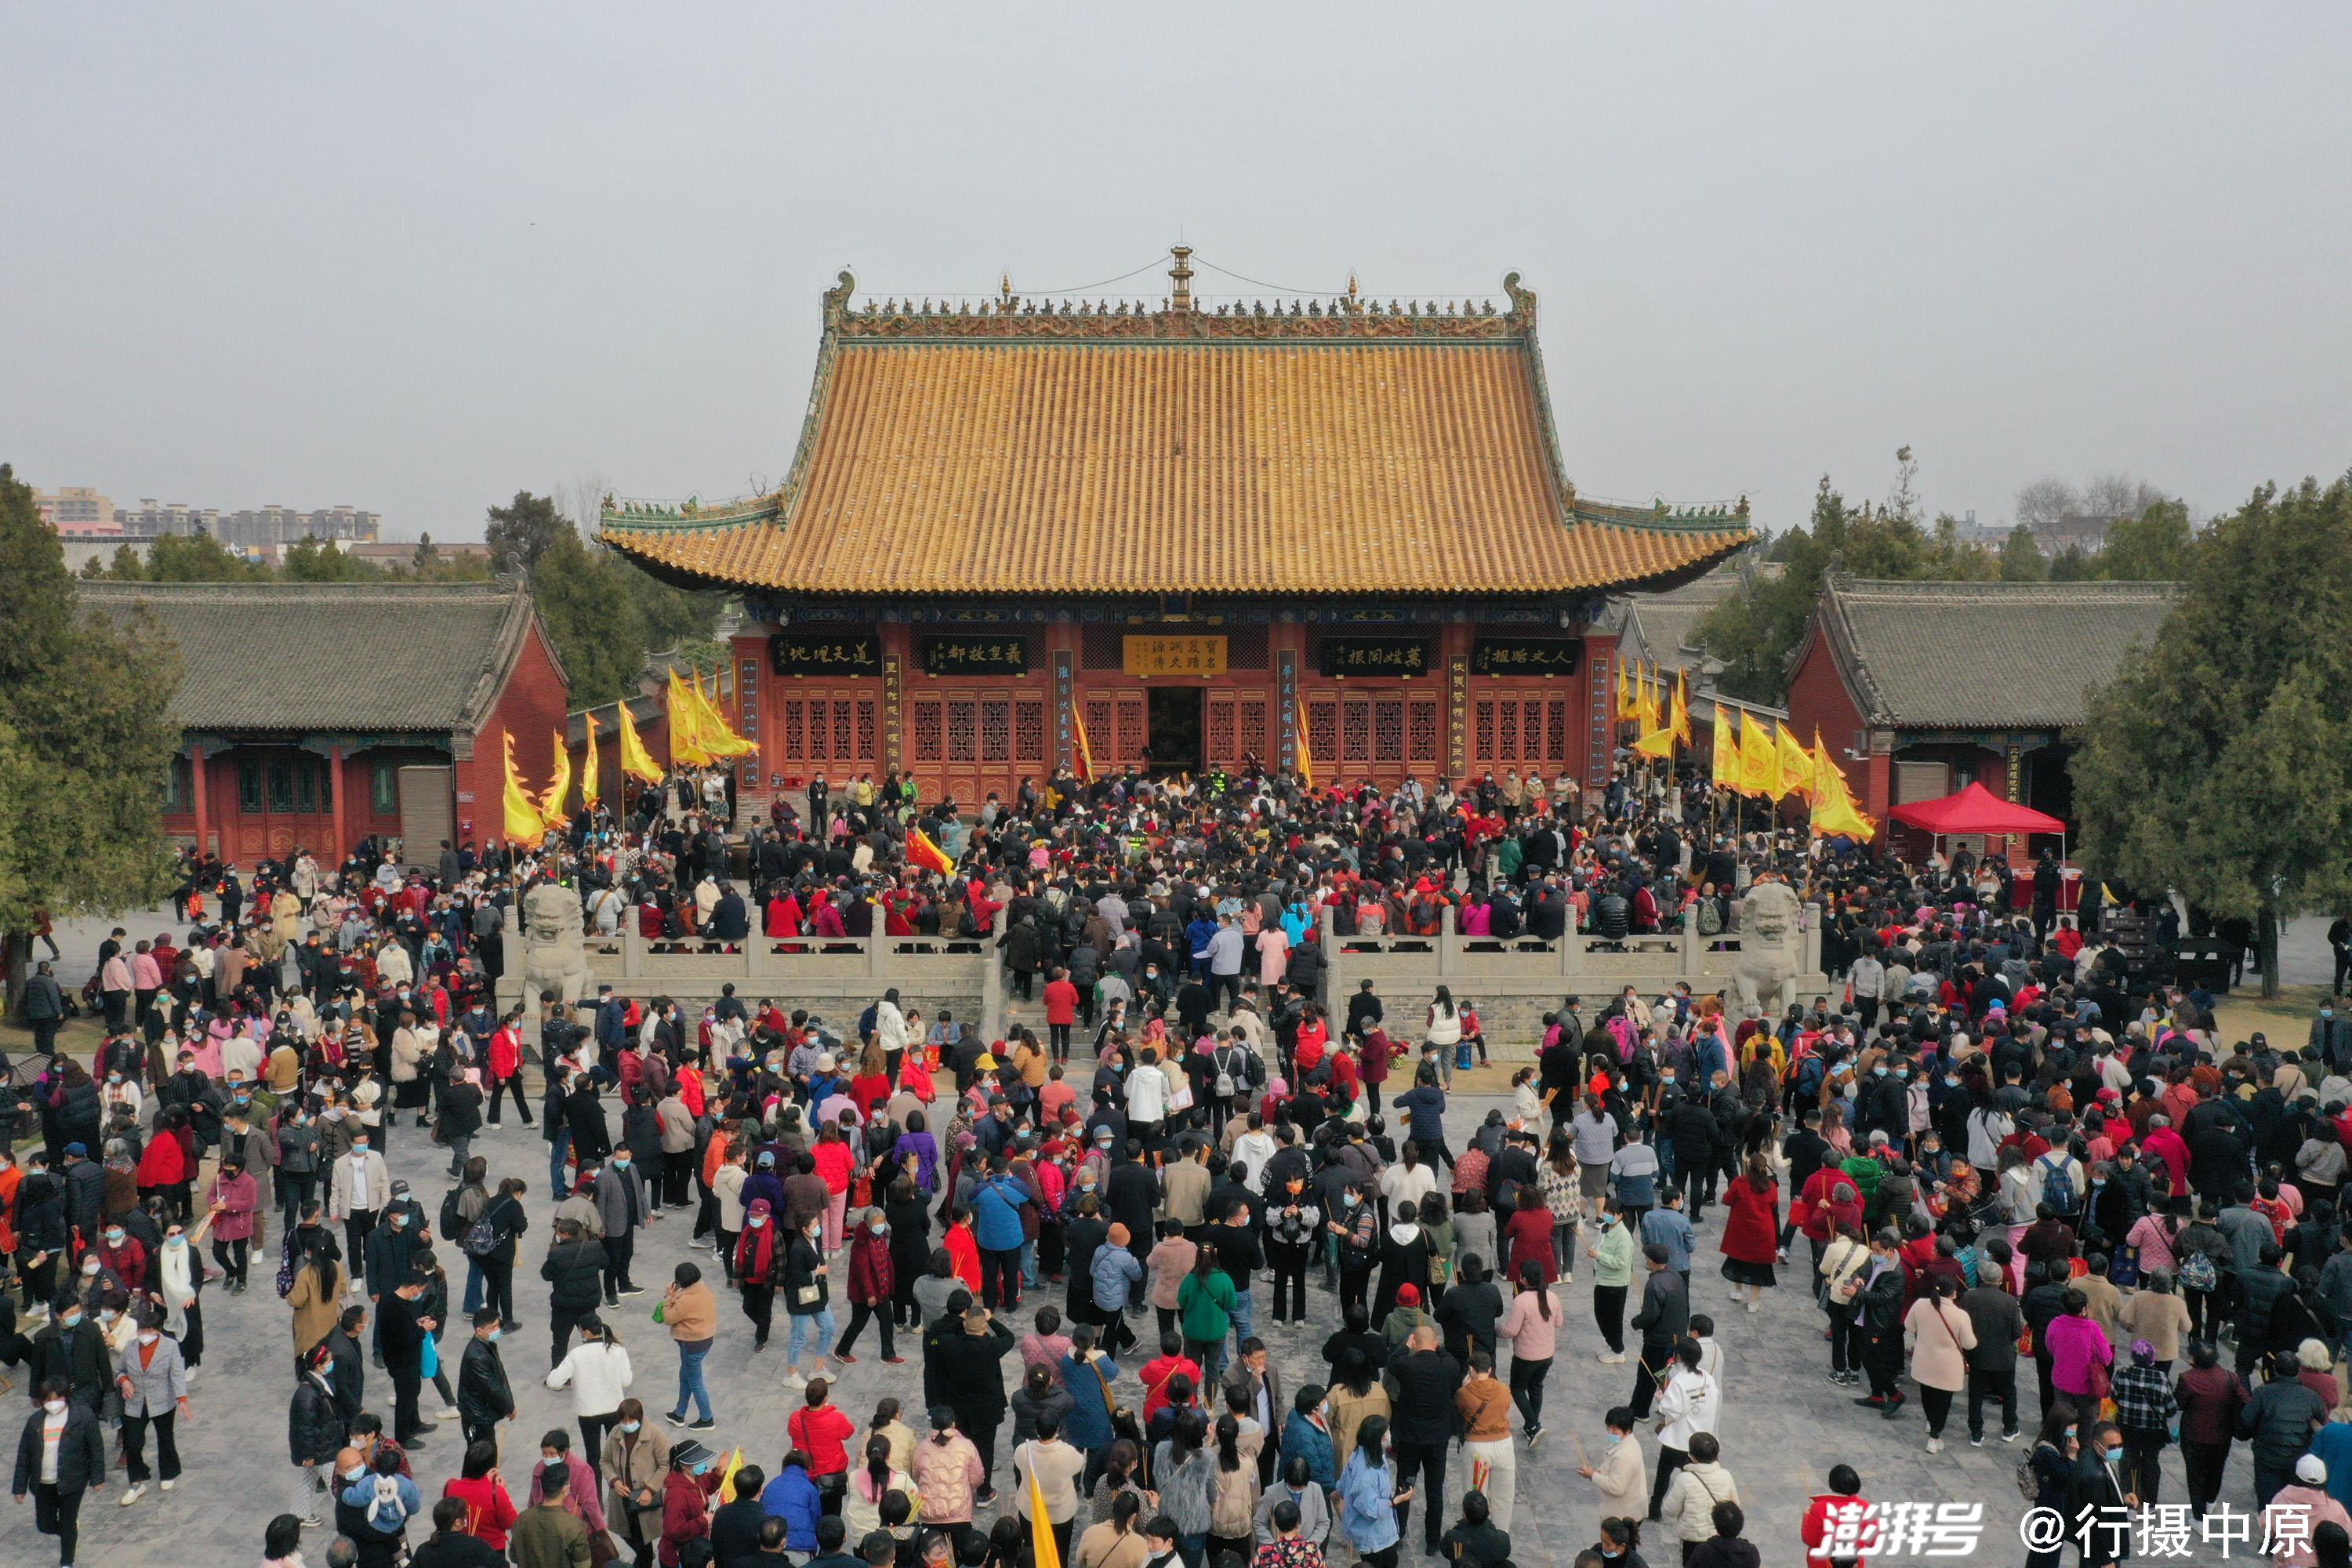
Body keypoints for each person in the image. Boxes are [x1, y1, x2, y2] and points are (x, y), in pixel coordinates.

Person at [12, 1378, 105, 1568]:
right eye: (48, 1399)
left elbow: (96, 1449)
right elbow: (24, 1456)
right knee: (44, 1524)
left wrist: (97, 1478)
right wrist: (19, 1487)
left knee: (67, 1520)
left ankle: (67, 1561)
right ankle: (69, 1533)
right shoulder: (35, 1422)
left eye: (57, 1398)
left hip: (72, 1481)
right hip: (44, 1483)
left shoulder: (83, 1417)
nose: (52, 1403)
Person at [1901, 1274, 1977, 1454]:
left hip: (1924, 1361)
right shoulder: (1960, 1315)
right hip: (1948, 1367)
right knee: (1943, 1402)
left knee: (1927, 1395)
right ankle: (1934, 1436)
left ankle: (1931, 1423)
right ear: (1954, 1293)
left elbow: (1909, 1326)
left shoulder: (1920, 1305)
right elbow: (1969, 1343)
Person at [546, 1313, 633, 1468]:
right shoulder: (617, 1350)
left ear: (585, 1332)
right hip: (614, 1409)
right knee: (617, 1454)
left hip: (587, 1412)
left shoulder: (577, 1354)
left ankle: (596, 1491)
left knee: (593, 1457)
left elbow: (553, 1382)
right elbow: (626, 1381)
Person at [1333, 1414, 1409, 1568]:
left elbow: (1342, 1485)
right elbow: (1370, 1509)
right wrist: (1395, 1501)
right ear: (1377, 1438)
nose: (1389, 1435)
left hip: (1382, 1531)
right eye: (1386, 1432)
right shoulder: (1366, 1474)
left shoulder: (1362, 1454)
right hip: (1372, 1537)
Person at [602, 1399, 671, 1568]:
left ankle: (643, 1560)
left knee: (643, 1540)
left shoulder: (655, 1435)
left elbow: (666, 1464)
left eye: (631, 1420)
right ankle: (644, 1557)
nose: (627, 1424)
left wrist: (650, 1489)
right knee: (627, 1534)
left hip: (645, 1500)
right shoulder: (615, 1434)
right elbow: (605, 1461)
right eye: (623, 1420)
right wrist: (614, 1481)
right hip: (622, 1498)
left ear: (639, 1418)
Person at [1657, 1432, 1737, 1564]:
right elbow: (1735, 1505)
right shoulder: (1726, 1475)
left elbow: (1670, 1510)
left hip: (1692, 1537)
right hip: (1718, 1535)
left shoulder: (1684, 1479)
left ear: (1692, 1456)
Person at [661, 1261, 718, 1431]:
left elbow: (668, 1318)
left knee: (694, 1381)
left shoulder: (686, 1300)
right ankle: (679, 1413)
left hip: (691, 1344)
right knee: (685, 1376)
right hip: (705, 1340)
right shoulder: (703, 1290)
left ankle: (707, 1418)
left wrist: (668, 1298)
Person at [441, 1439, 521, 1560]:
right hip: (491, 1550)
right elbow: (512, 1522)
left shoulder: (451, 1487)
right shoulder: (496, 1492)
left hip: (460, 1547)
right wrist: (503, 1491)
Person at [509, 1456, 593, 1568]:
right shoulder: (574, 1527)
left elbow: (514, 1556)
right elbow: (583, 1565)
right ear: (566, 1489)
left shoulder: (522, 1520)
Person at [413, 1493, 508, 1567]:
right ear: (457, 1522)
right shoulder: (474, 1545)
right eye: (465, 1515)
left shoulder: (423, 1551)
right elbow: (502, 1565)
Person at [1437, 1489, 1511, 1568]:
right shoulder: (1502, 1540)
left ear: (1464, 1515)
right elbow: (1506, 1552)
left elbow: (1445, 1550)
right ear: (1488, 1512)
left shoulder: (1452, 1537)